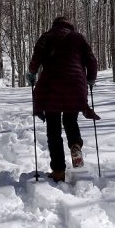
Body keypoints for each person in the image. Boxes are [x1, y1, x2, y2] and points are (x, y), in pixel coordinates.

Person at [26, 16, 99, 182]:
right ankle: (75, 145)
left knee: (53, 130)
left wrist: (32, 73)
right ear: (70, 26)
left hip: (52, 87)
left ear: (54, 25)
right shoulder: (78, 38)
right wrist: (91, 79)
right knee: (70, 121)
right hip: (75, 86)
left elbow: (36, 58)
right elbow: (91, 60)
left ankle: (58, 171)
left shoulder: (46, 37)